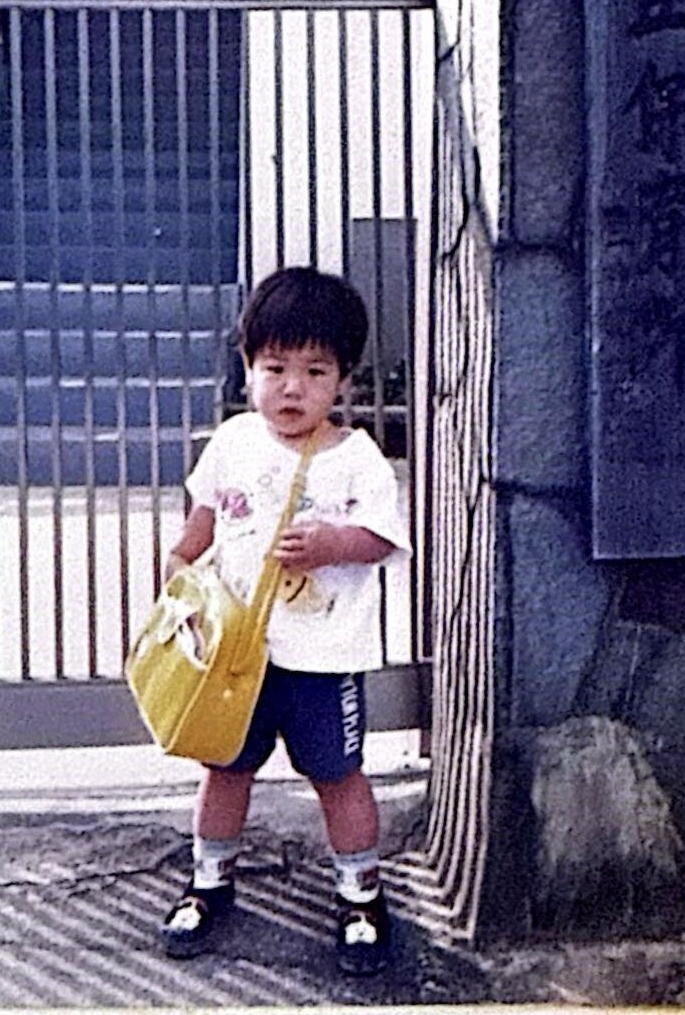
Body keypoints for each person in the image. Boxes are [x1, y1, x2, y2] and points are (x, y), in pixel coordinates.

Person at [159, 266, 409, 976]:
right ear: (247, 367)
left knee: (338, 775)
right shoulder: (233, 442)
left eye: (314, 370)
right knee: (225, 768)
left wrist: (334, 543)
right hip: (237, 659)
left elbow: (381, 538)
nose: (292, 387)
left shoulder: (357, 459)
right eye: (274, 368)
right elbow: (199, 527)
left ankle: (361, 895)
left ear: (344, 381)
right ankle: (209, 880)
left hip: (323, 659)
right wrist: (179, 572)